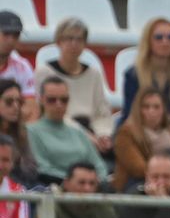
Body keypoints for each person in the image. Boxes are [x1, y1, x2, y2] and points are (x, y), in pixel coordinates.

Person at [35, 18, 115, 153]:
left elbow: (102, 112)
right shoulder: (45, 72)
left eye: (79, 39)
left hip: (91, 130)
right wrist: (84, 136)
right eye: (69, 38)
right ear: (59, 41)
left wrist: (103, 135)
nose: (74, 44)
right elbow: (46, 110)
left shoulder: (93, 74)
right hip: (59, 129)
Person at [111, 89, 170, 193]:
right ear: (138, 110)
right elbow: (139, 169)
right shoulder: (125, 133)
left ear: (164, 110)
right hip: (137, 184)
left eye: (156, 107)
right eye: (146, 107)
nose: (151, 111)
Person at [119, 18, 170, 132]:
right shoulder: (133, 75)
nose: (165, 42)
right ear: (148, 42)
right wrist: (163, 126)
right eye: (159, 37)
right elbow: (130, 111)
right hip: (140, 131)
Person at [28, 79, 107, 184]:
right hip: (54, 190)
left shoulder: (78, 132)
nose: (59, 104)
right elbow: (42, 168)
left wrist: (92, 182)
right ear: (41, 100)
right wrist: (74, 181)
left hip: (89, 188)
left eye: (64, 100)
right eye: (52, 100)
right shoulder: (31, 131)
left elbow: (99, 165)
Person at [0, 79, 39, 187]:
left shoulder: (22, 133)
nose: (16, 106)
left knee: (43, 191)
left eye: (19, 102)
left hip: (22, 185)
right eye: (9, 102)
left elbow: (32, 170)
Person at [0, 13, 35, 121]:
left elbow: (31, 107)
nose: (11, 40)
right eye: (6, 34)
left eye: (16, 35)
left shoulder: (23, 66)